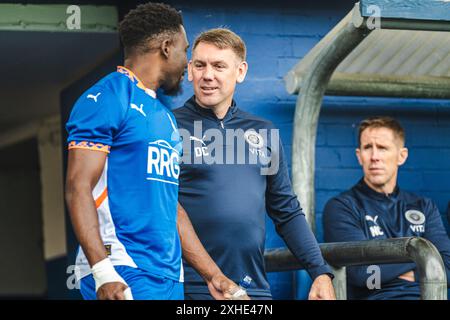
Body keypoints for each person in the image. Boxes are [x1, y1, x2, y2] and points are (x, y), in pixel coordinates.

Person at [65, 3, 245, 300]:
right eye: (184, 51)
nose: (186, 63)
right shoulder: (106, 97)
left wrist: (214, 276)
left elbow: (171, 206)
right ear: (166, 47)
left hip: (168, 275)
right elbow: (77, 186)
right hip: (122, 269)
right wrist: (102, 271)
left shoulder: (164, 116)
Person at [173, 28, 335, 300]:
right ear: (189, 70)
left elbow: (286, 210)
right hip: (190, 287)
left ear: (240, 71)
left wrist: (319, 271)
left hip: (252, 289)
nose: (207, 75)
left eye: (219, 66)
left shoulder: (263, 132)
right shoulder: (167, 126)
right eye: (200, 65)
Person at [323, 116, 450, 300]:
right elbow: (361, 274)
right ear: (359, 156)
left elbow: (448, 264)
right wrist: (425, 264)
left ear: (402, 156)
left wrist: (395, 270)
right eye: (368, 148)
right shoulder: (342, 207)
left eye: (382, 148)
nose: (374, 157)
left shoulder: (423, 206)